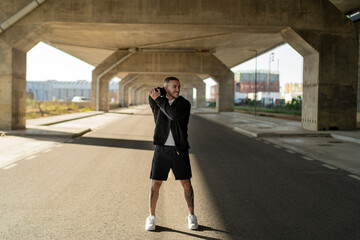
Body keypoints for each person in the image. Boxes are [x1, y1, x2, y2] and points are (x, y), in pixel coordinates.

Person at [145, 76, 198, 231]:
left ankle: (191, 215)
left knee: (186, 183)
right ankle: (151, 216)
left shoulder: (183, 104)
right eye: (174, 87)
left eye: (179, 87)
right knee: (155, 183)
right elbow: (152, 94)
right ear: (166, 88)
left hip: (179, 149)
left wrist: (161, 98)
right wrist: (160, 93)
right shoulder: (157, 102)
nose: (178, 89)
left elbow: (173, 115)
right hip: (161, 149)